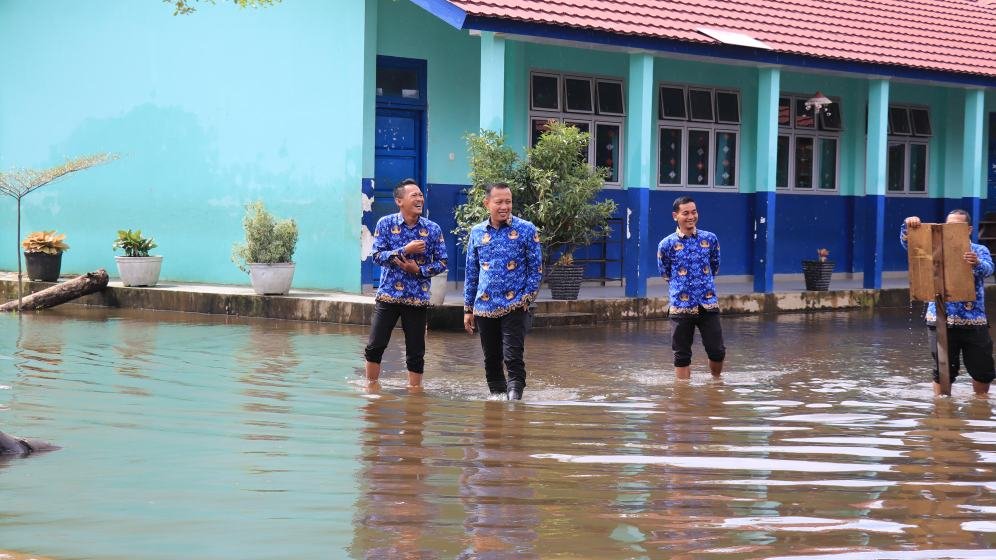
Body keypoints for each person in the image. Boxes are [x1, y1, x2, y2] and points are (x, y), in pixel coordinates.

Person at [364, 178, 448, 389]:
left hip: (417, 299)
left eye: (421, 195)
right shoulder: (385, 223)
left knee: (416, 352)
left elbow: (442, 262)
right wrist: (405, 250)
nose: (420, 199)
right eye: (414, 195)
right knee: (374, 346)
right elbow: (377, 256)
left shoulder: (432, 229)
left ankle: (415, 393)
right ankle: (371, 388)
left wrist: (418, 270)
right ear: (399, 201)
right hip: (388, 297)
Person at [463, 183, 543, 400]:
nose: (504, 206)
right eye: (499, 202)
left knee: (512, 356)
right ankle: (496, 401)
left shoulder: (526, 229)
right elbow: (472, 272)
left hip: (515, 304)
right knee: (491, 358)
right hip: (484, 306)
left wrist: (526, 298)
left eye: (508, 202)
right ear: (487, 203)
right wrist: (468, 309)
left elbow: (536, 269)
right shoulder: (477, 232)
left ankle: (515, 402)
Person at [901, 210, 994, 396]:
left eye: (957, 226)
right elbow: (910, 244)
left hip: (974, 320)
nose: (952, 229)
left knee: (983, 371)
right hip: (940, 318)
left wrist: (976, 263)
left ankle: (981, 405)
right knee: (942, 371)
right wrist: (908, 225)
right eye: (948, 225)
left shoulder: (978, 250)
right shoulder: (933, 247)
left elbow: (989, 269)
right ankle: (942, 408)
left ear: (968, 230)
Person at [657, 196, 725, 379]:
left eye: (694, 212)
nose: (691, 217)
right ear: (675, 216)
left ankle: (716, 384)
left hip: (708, 303)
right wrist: (682, 285)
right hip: (681, 305)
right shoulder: (666, 244)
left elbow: (715, 266)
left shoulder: (710, 239)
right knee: (681, 356)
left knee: (717, 350)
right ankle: (682, 393)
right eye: (685, 213)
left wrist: (702, 283)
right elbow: (665, 272)